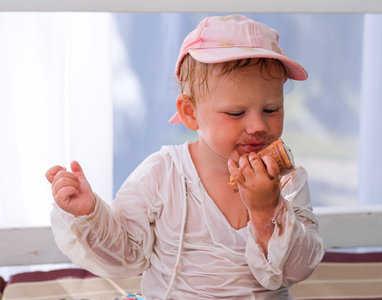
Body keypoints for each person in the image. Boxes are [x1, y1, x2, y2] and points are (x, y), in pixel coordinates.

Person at [46, 14, 324, 300]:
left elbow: (298, 269)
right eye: (236, 113)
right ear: (191, 113)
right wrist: (87, 212)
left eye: (271, 109)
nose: (257, 126)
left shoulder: (287, 181)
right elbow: (125, 255)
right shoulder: (163, 173)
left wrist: (267, 211)